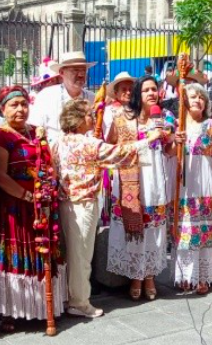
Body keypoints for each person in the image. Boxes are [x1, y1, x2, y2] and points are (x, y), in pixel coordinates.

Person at [52, 99, 162, 317]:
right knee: (82, 256)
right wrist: (147, 140)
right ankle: (79, 302)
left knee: (69, 254)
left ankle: (67, 296)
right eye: (89, 114)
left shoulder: (59, 141)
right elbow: (118, 152)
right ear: (77, 119)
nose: (93, 118)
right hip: (82, 205)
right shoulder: (87, 143)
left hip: (65, 203)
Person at [0, 85, 67, 333]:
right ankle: (9, 310)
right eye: (14, 105)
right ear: (2, 109)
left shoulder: (34, 133)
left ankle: (41, 307)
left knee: (41, 252)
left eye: (23, 103)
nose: (20, 109)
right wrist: (26, 195)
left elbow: (47, 165)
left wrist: (48, 189)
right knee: (13, 255)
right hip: (12, 206)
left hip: (39, 206)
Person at [105, 75, 175, 301]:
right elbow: (111, 145)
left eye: (154, 89)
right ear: (138, 94)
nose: (152, 93)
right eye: (146, 90)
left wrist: (174, 140)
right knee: (134, 228)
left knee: (153, 226)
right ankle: (136, 276)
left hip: (154, 176)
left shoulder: (164, 117)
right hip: (131, 179)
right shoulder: (122, 117)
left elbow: (169, 151)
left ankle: (150, 276)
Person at [170, 83, 212, 295]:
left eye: (201, 97)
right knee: (184, 230)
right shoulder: (176, 125)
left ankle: (201, 276)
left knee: (203, 231)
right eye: (193, 96)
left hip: (205, 182)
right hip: (184, 184)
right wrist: (175, 141)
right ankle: (185, 275)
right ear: (184, 100)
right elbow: (168, 153)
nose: (198, 100)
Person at [29, 51, 96, 143]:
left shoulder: (93, 98)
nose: (81, 75)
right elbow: (34, 128)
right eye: (75, 70)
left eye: (83, 70)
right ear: (61, 72)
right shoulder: (46, 96)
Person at [102, 71, 135, 139]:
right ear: (116, 93)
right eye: (124, 89)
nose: (128, 92)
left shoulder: (136, 110)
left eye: (130, 89)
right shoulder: (107, 112)